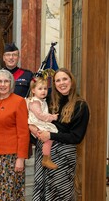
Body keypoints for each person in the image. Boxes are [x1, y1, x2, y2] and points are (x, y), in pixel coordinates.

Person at [30, 68, 90, 200]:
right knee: (42, 191)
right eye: (58, 80)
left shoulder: (81, 106)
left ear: (71, 81)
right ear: (54, 84)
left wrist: (51, 136)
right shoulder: (49, 101)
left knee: (60, 194)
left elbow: (76, 137)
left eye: (65, 79)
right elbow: (33, 113)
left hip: (63, 156)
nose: (62, 83)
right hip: (44, 153)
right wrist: (33, 129)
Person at [0, 69, 30, 200]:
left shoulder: (19, 101)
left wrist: (20, 158)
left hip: (10, 158)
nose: (3, 84)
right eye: (0, 81)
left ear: (11, 84)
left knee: (7, 194)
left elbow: (23, 132)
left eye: (6, 81)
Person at [27, 76, 59, 170]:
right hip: (36, 123)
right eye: (40, 89)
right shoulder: (35, 102)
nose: (43, 91)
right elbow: (40, 115)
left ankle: (46, 157)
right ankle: (46, 158)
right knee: (48, 138)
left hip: (38, 123)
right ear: (33, 90)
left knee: (49, 137)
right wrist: (52, 117)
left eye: (45, 88)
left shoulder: (40, 100)